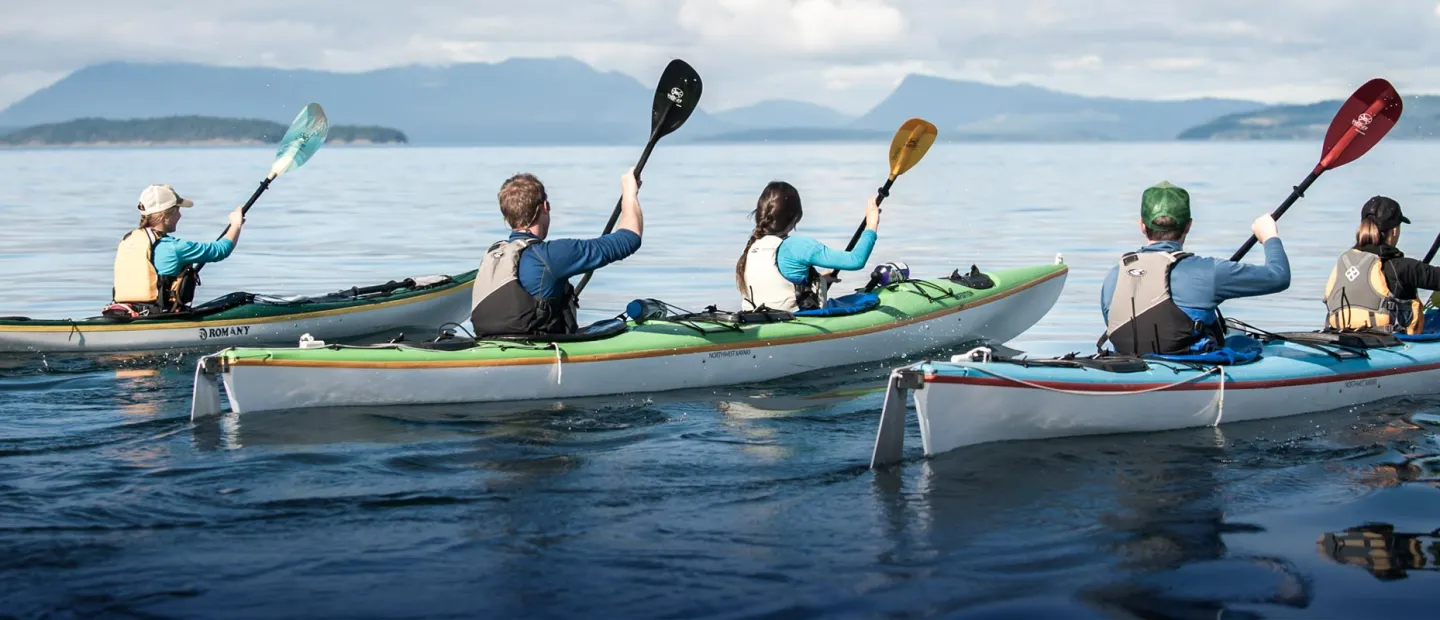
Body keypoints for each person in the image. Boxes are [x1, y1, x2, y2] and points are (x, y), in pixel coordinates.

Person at [1100, 181, 1290, 356]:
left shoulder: (1114, 275)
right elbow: (1279, 276)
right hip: (1188, 367)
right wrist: (1269, 236)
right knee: (1242, 341)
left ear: (1142, 225)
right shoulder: (1210, 272)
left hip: (1126, 366)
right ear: (1188, 226)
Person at [470, 168, 642, 336]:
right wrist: (629, 195)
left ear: (507, 215)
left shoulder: (493, 255)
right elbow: (629, 239)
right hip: (539, 350)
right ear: (545, 206)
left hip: (489, 343)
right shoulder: (550, 255)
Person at [734, 181, 881, 311]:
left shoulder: (751, 248)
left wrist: (818, 279)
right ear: (796, 217)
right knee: (868, 299)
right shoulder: (799, 246)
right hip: (794, 321)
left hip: (754, 319)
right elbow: (856, 260)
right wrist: (871, 223)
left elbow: (771, 283)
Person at [111, 184, 245, 314]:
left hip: (125, 312)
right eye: (177, 210)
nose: (180, 216)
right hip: (159, 314)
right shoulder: (174, 247)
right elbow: (221, 250)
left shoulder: (127, 241)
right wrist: (236, 224)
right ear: (165, 216)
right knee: (242, 299)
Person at [1323, 196, 1440, 335]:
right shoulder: (1403, 268)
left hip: (1338, 337)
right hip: (1390, 345)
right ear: (1395, 230)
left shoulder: (1344, 262)